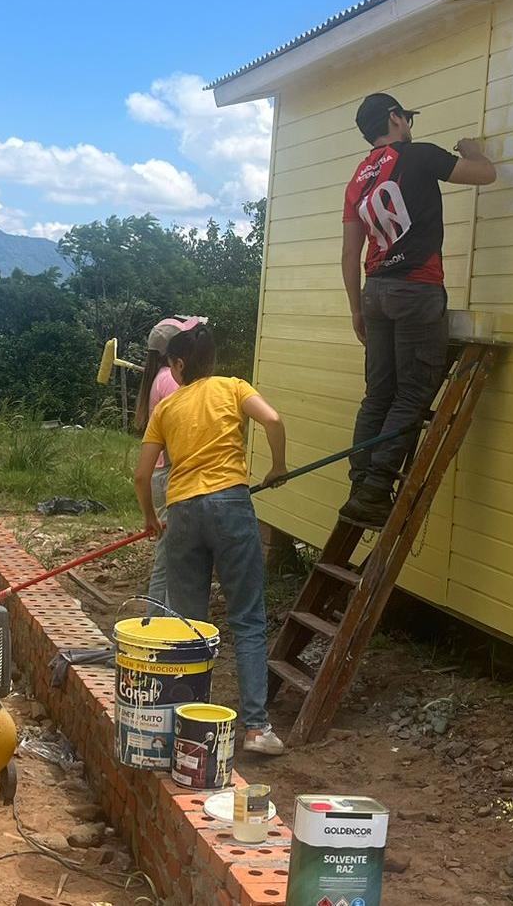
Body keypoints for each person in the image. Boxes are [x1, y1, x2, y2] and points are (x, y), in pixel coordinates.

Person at [337, 92, 496, 529]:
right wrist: (473, 150)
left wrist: (356, 309)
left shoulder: (358, 180)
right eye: (407, 116)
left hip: (376, 292)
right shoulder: (421, 156)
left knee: (378, 394)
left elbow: (350, 254)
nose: (410, 124)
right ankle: (373, 494)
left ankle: (359, 486)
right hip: (415, 289)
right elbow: (486, 175)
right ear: (395, 118)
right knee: (410, 394)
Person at [134, 323, 290, 755]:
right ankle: (257, 729)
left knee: (190, 626)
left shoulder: (167, 409)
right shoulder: (233, 387)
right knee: (247, 618)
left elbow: (143, 474)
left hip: (183, 514)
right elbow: (273, 419)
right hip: (231, 507)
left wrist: (151, 518)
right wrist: (277, 467)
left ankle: (189, 729)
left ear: (180, 364)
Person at [132, 315, 206, 606]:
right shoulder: (171, 382)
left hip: (162, 474)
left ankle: (155, 620)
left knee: (168, 557)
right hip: (170, 474)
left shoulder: (159, 378)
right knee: (170, 560)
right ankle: (156, 624)